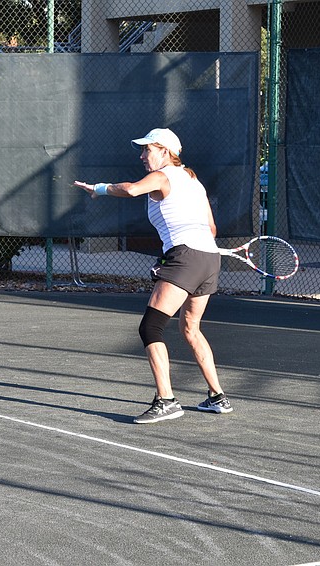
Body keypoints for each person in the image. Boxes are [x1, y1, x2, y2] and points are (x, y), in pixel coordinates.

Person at [73, 128, 233, 424]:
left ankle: (167, 400)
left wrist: (99, 189)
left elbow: (132, 189)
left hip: (186, 256)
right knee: (191, 329)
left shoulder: (164, 176)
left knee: (151, 327)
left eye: (147, 149)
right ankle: (217, 397)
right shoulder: (194, 182)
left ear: (164, 151)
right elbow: (211, 229)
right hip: (208, 259)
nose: (142, 155)